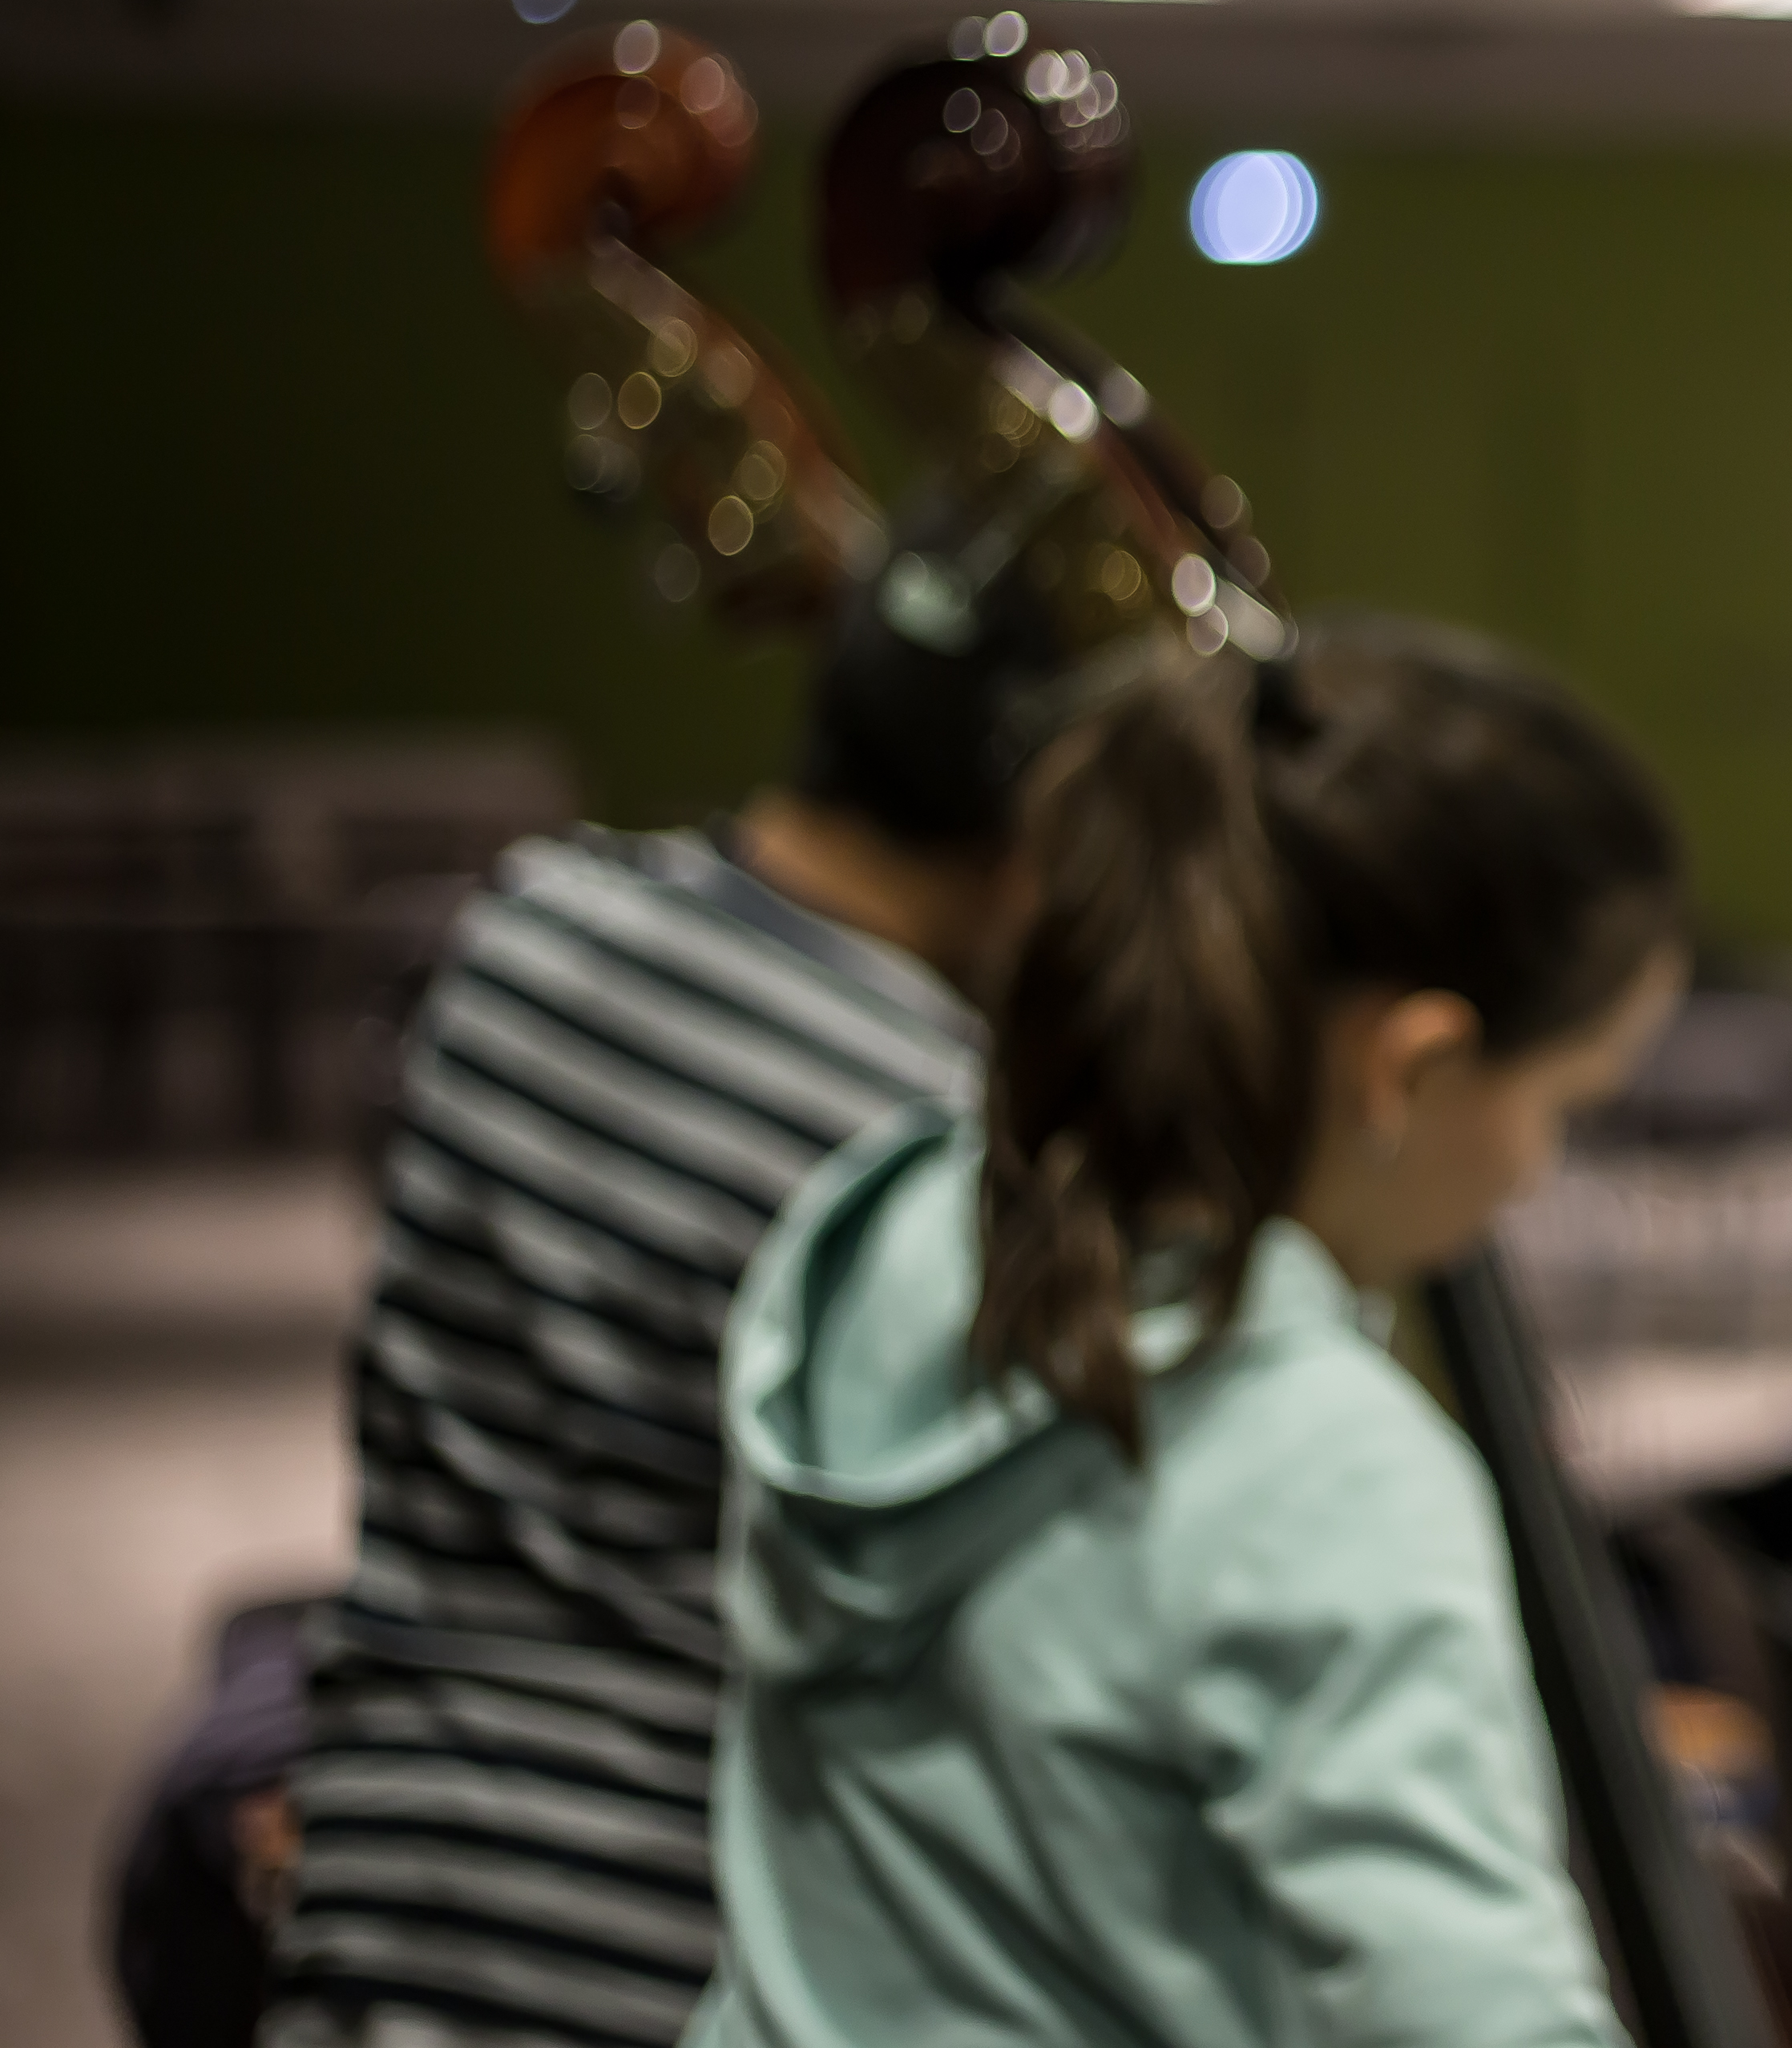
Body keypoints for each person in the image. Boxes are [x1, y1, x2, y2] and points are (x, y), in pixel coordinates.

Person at [688, 617, 1684, 2048]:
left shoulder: (881, 1233)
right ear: (1412, 1066)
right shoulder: (1319, 1469)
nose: (1539, 1169)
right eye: (1562, 1104)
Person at [267, 521, 1060, 2048]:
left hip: (383, 1888)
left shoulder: (518, 934)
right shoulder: (927, 1146)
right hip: (670, 1954)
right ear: (1036, 834)